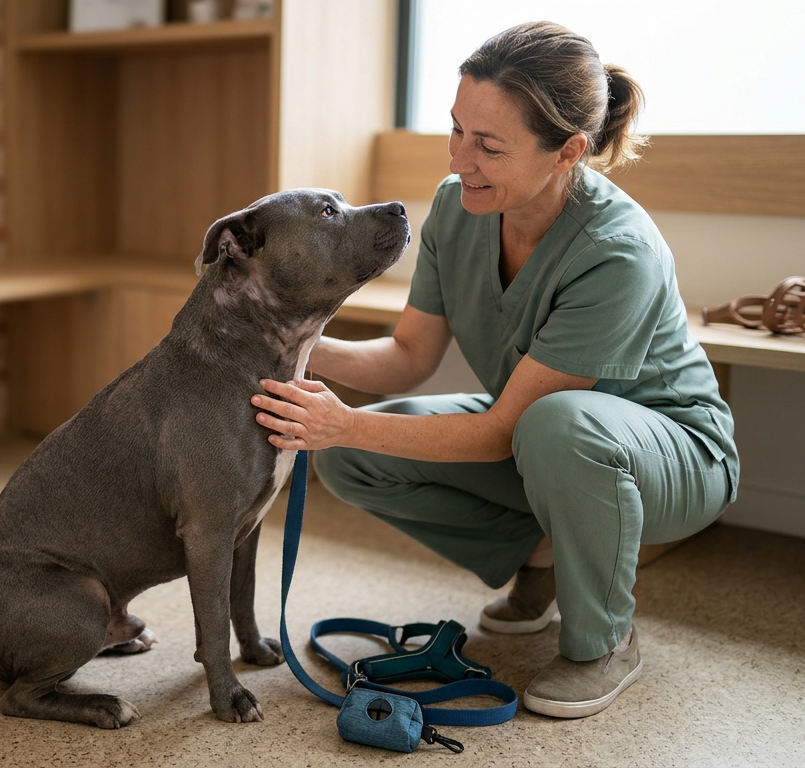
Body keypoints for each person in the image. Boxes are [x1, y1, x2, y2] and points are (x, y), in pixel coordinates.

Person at [250, 21, 738, 719]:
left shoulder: (617, 250)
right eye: (456, 130)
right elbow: (408, 356)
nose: (459, 161)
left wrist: (342, 421)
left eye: (489, 146)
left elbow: (505, 430)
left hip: (676, 456)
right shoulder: (459, 209)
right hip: (544, 438)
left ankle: (605, 641)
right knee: (353, 460)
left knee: (554, 425)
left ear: (568, 151)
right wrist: (291, 339)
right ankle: (546, 560)